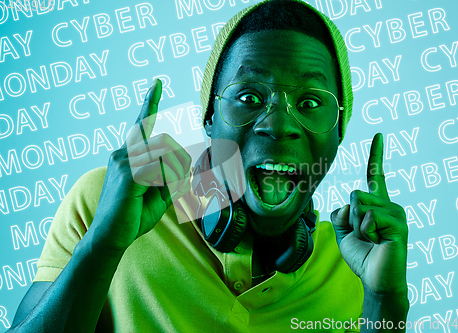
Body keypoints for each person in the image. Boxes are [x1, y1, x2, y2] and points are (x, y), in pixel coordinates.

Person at [7, 0, 409, 332]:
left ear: (339, 133)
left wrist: (383, 301)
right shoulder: (108, 204)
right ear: (209, 118)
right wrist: (102, 243)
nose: (280, 125)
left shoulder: (357, 262)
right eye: (249, 97)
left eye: (310, 103)